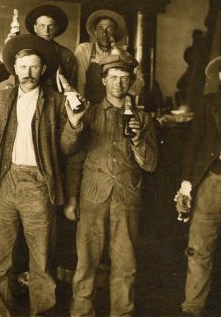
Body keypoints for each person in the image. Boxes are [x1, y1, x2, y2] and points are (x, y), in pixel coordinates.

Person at [0, 34, 82, 316]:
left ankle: (41, 312)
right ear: (14, 69)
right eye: (22, 67)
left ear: (43, 69)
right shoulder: (1, 99)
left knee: (41, 260)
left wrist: (74, 123)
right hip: (4, 183)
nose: (28, 73)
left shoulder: (56, 101)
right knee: (0, 260)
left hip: (38, 185)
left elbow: (67, 147)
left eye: (33, 67)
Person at [63, 50, 158, 316]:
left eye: (124, 78)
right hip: (93, 197)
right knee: (86, 265)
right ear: (103, 80)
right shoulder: (89, 114)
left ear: (132, 83)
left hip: (127, 199)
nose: (118, 83)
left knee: (126, 266)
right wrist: (71, 198)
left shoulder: (144, 119)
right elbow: (71, 154)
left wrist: (138, 141)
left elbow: (150, 165)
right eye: (113, 77)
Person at [175, 55, 221, 317]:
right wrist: (186, 183)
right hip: (212, 181)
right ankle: (193, 307)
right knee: (200, 247)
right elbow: (193, 143)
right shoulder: (209, 103)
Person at [0, 4, 76, 95]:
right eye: (42, 25)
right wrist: (6, 49)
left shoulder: (65, 54)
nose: (46, 30)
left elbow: (70, 87)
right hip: (22, 102)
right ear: (35, 28)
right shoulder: (21, 50)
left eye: (50, 26)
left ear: (57, 28)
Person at [75, 9, 134, 105]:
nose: (104, 34)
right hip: (89, 106)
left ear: (115, 32)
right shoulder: (85, 49)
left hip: (114, 107)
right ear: (95, 32)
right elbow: (80, 83)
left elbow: (134, 90)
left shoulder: (123, 54)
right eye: (100, 28)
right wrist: (82, 108)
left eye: (109, 29)